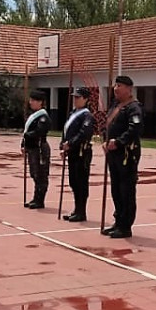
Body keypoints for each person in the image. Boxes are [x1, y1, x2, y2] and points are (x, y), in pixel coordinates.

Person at [102, 75, 144, 238]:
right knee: (116, 189)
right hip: (113, 153)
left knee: (126, 189)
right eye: (115, 86)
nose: (116, 89)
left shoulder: (134, 107)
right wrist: (106, 139)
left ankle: (126, 225)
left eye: (119, 86)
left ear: (129, 89)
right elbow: (109, 124)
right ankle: (118, 220)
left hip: (127, 153)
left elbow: (135, 129)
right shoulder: (115, 105)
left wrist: (118, 142)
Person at [60, 86, 95, 222]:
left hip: (82, 151)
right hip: (72, 151)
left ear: (85, 99)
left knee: (81, 182)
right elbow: (66, 131)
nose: (75, 100)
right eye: (74, 97)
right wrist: (63, 145)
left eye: (78, 97)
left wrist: (70, 143)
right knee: (73, 181)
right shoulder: (73, 113)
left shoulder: (87, 115)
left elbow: (84, 133)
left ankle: (81, 211)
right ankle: (76, 209)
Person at [21, 89, 52, 209]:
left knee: (41, 174)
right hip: (32, 147)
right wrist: (23, 144)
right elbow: (26, 131)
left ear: (40, 102)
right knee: (34, 173)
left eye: (34, 100)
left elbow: (39, 131)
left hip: (39, 148)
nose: (31, 102)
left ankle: (40, 199)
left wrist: (28, 136)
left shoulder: (43, 117)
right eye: (31, 99)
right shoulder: (33, 116)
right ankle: (35, 197)